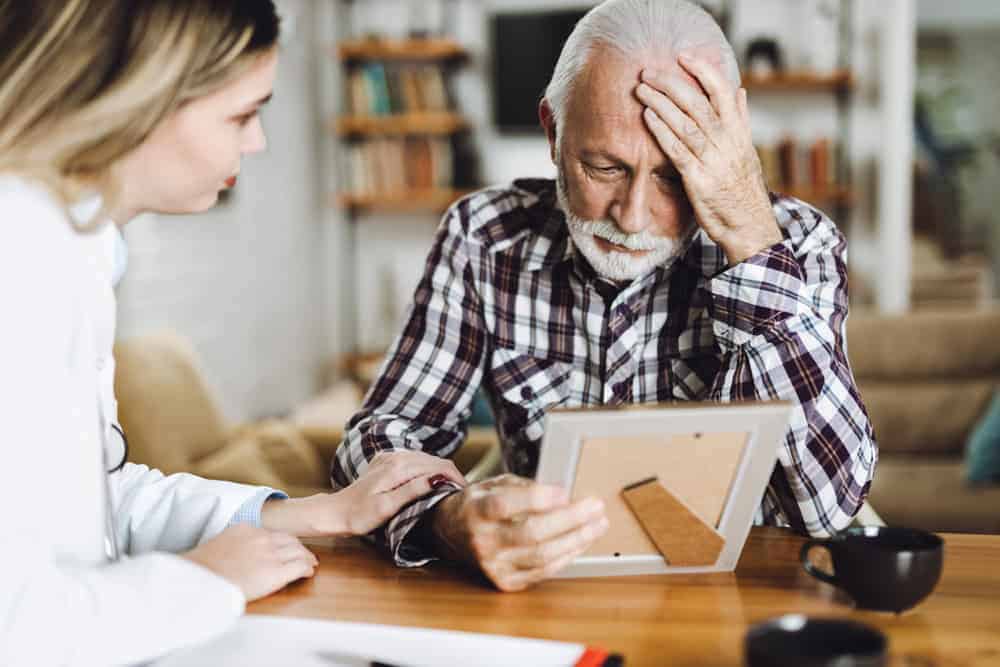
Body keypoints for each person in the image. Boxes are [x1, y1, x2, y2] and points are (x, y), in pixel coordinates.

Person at [334, 0, 877, 592]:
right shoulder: (483, 237)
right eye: (604, 168)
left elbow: (828, 511)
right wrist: (445, 519)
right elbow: (380, 438)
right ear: (552, 132)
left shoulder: (799, 244)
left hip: (742, 597)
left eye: (674, 176)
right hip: (544, 596)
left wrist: (749, 237)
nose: (633, 215)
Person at [0, 2, 463, 665]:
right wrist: (205, 581)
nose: (257, 143)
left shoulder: (80, 247)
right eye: (243, 115)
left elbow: (98, 502)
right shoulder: (19, 256)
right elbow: (14, 624)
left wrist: (311, 513)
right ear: (140, 99)